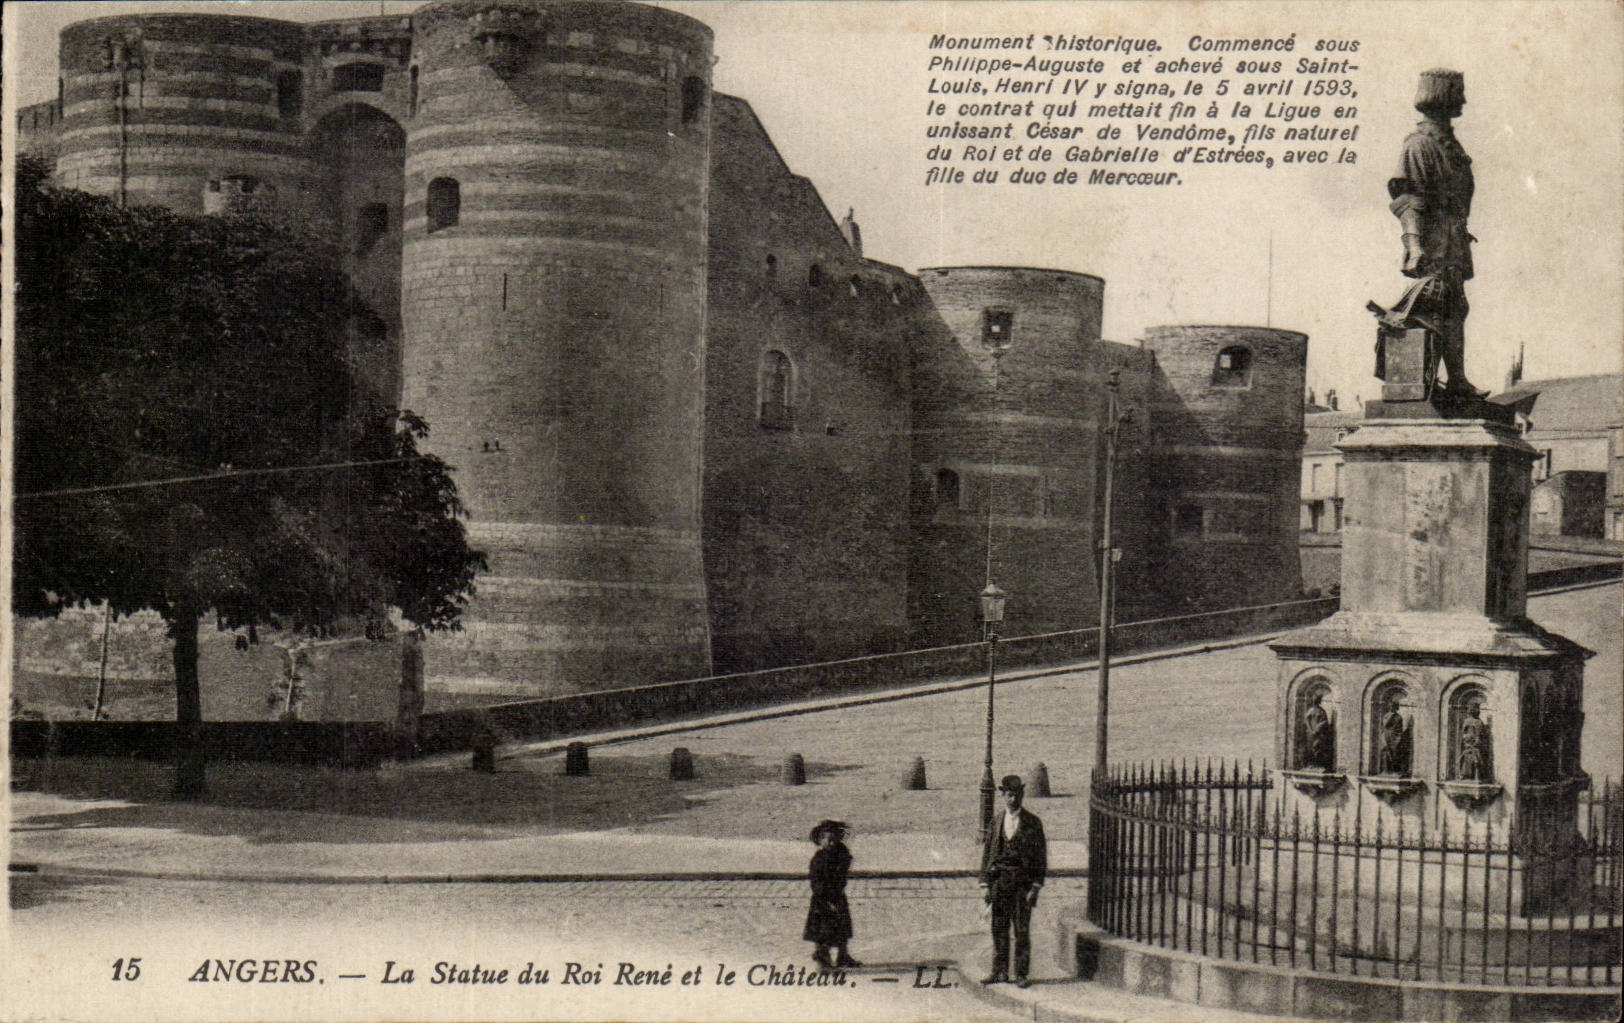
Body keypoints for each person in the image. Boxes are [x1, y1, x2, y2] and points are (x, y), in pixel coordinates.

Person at [1386, 67, 1486, 398]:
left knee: (1456, 306)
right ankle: (1423, 381)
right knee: (1437, 305)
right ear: (1442, 97)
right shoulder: (1419, 146)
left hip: (1454, 238)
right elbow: (1407, 199)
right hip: (1433, 239)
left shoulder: (1452, 149)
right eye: (1458, 94)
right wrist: (1414, 245)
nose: (1464, 101)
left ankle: (1456, 379)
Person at [980, 775, 1046, 988]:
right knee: (998, 928)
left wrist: (1035, 887)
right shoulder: (997, 821)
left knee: (1021, 930)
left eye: (1017, 795)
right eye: (1009, 795)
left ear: (1022, 795)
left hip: (1021, 884)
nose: (1013, 799)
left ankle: (1021, 973)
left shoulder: (1032, 823)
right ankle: (999, 971)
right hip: (999, 882)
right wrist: (984, 884)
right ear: (1003, 796)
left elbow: (1040, 858)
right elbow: (987, 853)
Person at [803, 819, 861, 969]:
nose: (831, 843)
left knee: (842, 928)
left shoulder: (840, 853)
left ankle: (843, 956)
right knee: (823, 931)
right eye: (827, 840)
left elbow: (843, 870)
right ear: (820, 840)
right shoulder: (819, 859)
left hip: (838, 896)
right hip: (822, 899)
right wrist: (826, 899)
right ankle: (823, 957)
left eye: (834, 839)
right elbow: (816, 882)